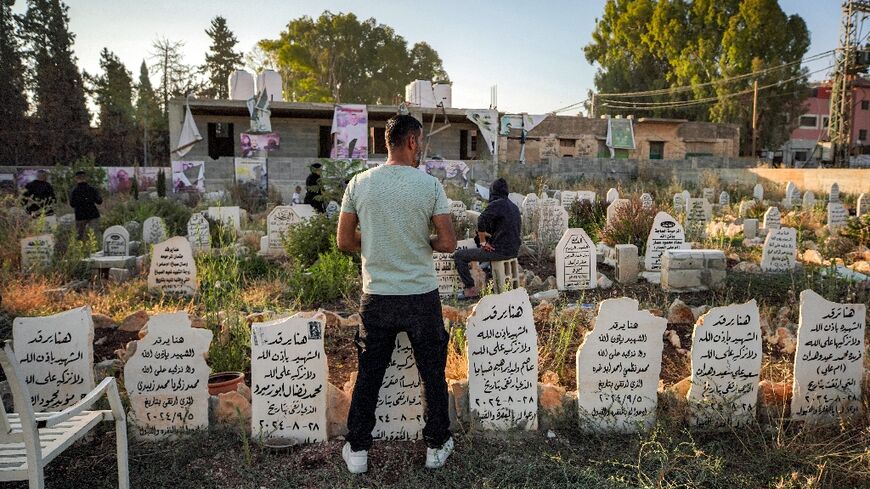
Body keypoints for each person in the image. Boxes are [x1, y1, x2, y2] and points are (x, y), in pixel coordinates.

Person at [337, 114, 456, 474]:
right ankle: (436, 446)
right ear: (412, 141)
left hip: (377, 296)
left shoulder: (359, 183)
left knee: (369, 374)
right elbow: (448, 243)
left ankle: (358, 451)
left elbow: (344, 241)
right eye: (420, 142)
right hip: (421, 295)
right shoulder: (429, 185)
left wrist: (376, 239)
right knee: (432, 373)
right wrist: (421, 240)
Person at [453, 178, 521, 300]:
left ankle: (470, 290)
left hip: (499, 252)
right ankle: (488, 279)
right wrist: (485, 235)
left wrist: (483, 241)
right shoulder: (513, 207)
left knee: (459, 256)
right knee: (481, 247)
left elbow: (481, 219)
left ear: (492, 191)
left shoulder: (497, 204)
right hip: (513, 251)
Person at [69, 171, 103, 240]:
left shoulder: (74, 191)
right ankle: (96, 246)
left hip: (80, 215)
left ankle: (81, 246)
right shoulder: (92, 189)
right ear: (86, 178)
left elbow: (72, 204)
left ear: (76, 178)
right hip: (93, 214)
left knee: (79, 236)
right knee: (95, 236)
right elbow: (99, 201)